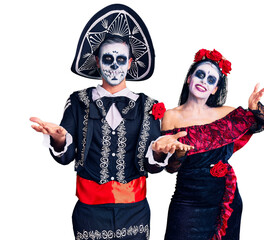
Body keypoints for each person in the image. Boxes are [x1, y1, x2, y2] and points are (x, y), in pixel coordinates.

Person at [30, 4, 191, 240]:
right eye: (108, 58)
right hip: (89, 211)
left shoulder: (148, 106)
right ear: (97, 61)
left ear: (129, 62)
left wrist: (158, 152)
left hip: (135, 211)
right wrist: (60, 138)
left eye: (120, 59)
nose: (114, 65)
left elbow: (153, 168)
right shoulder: (78, 101)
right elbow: (65, 157)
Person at [160, 49, 264, 240]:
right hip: (188, 203)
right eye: (200, 75)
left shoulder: (227, 113)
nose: (204, 81)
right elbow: (171, 168)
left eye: (211, 79)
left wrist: (255, 108)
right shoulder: (171, 116)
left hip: (225, 201)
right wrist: (178, 153)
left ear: (215, 88)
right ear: (189, 79)